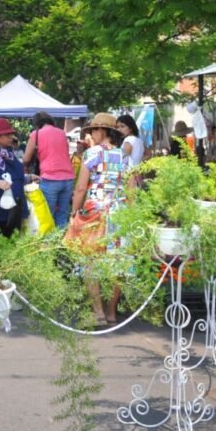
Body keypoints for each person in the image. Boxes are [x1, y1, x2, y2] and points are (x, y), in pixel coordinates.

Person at [70, 113, 128, 325]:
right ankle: (112, 312)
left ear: (102, 131)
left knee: (90, 260)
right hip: (120, 213)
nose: (91, 134)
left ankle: (98, 312)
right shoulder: (124, 155)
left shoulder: (91, 154)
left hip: (95, 212)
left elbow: (80, 188)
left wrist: (74, 211)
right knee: (117, 263)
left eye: (93, 130)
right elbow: (132, 188)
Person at [22, 111, 74, 228]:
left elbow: (26, 158)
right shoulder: (61, 133)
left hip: (50, 178)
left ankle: (48, 244)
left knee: (47, 215)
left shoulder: (36, 134)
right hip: (68, 178)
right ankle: (61, 242)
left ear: (36, 123)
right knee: (62, 215)